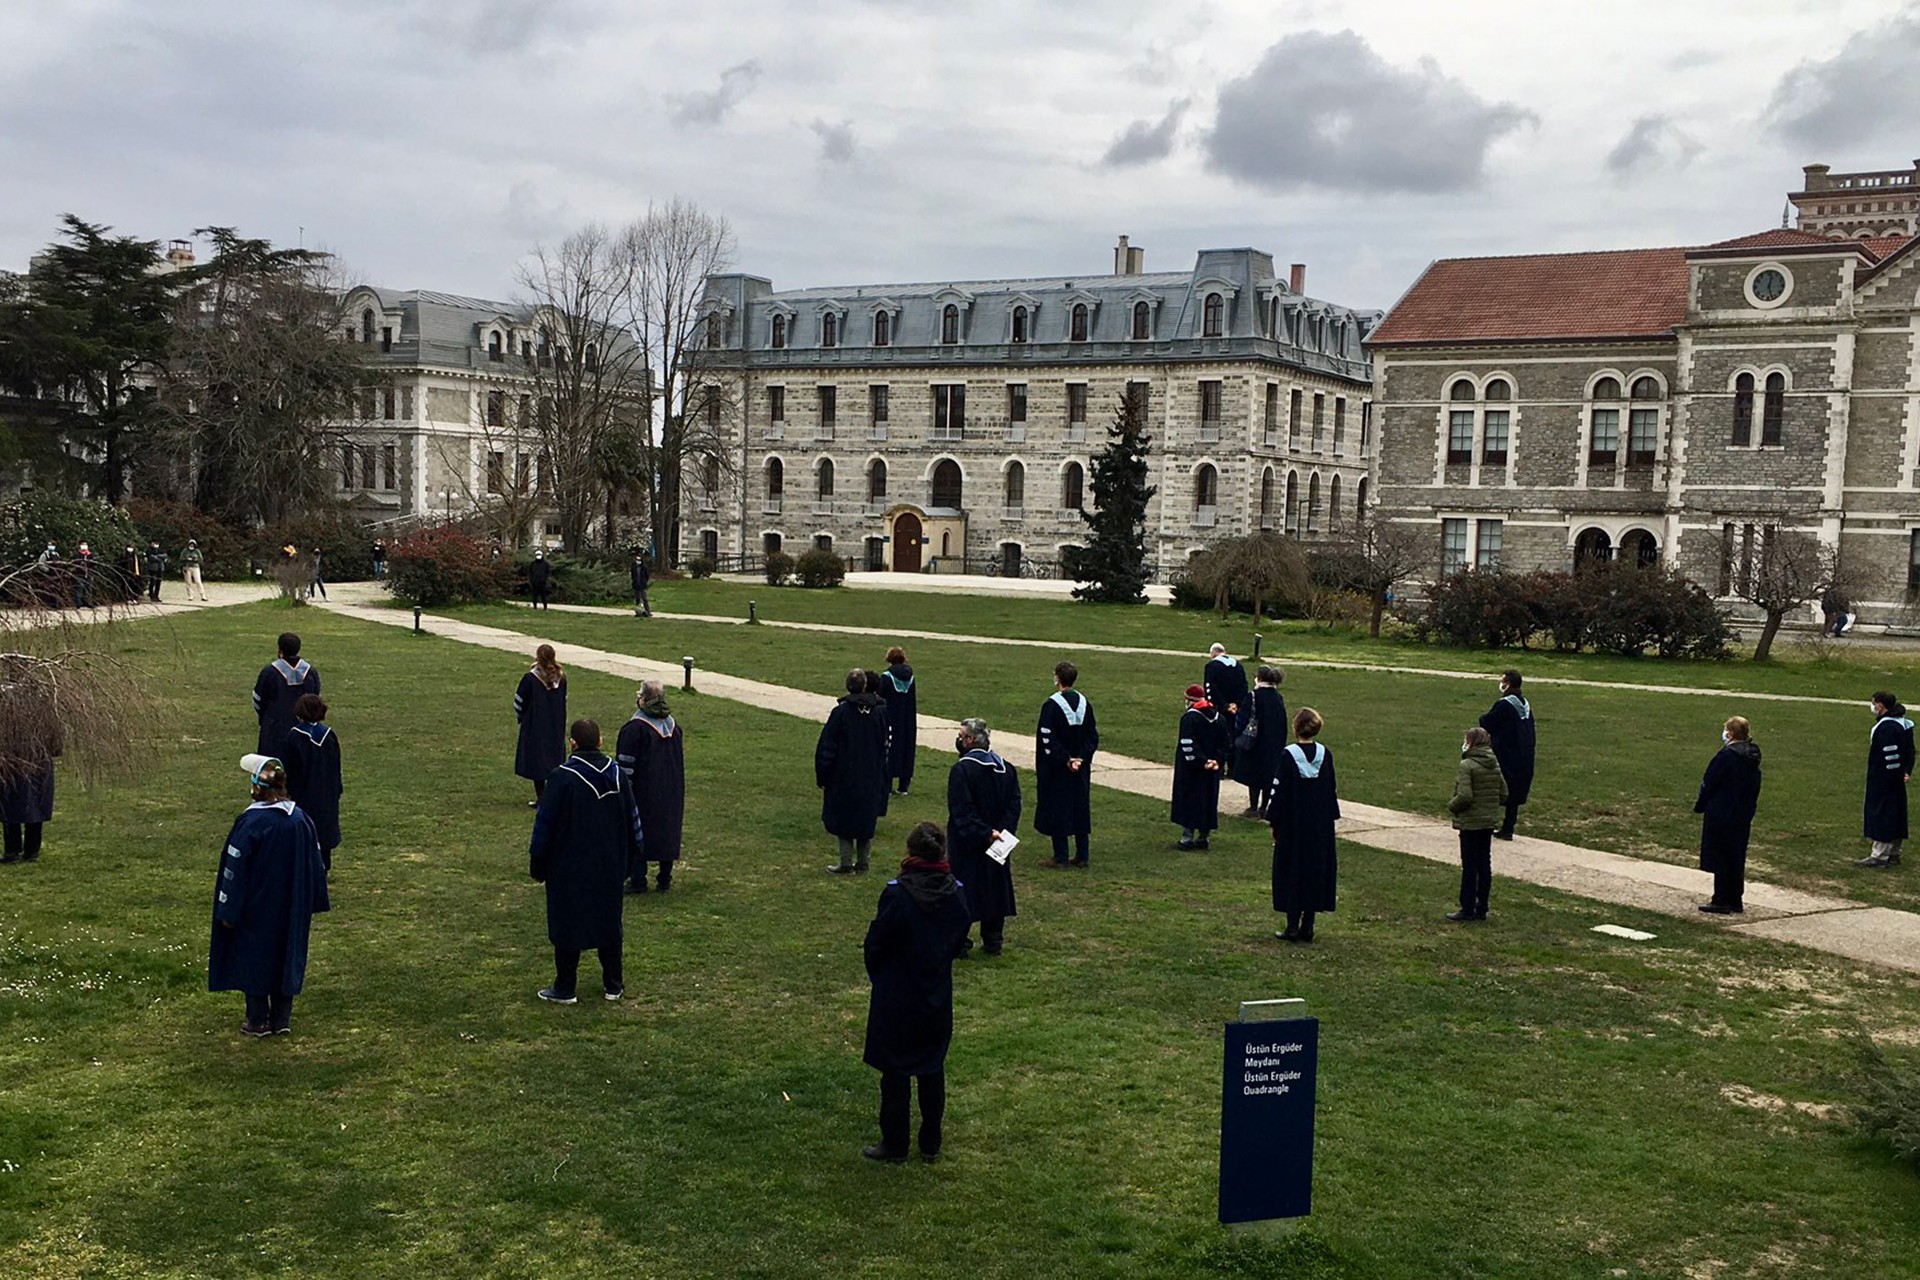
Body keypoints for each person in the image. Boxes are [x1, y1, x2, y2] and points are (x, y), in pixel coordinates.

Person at [860, 821, 972, 1163]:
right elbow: (960, 936)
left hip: (897, 990)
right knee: (931, 1067)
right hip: (935, 990)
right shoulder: (956, 892)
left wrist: (880, 974)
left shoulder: (897, 893)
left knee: (895, 1072)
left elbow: (877, 942)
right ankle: (930, 1141)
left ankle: (895, 1143)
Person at [208, 754, 330, 1036]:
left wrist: (228, 910)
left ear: (256, 788)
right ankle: (282, 1017)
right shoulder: (301, 820)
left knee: (255, 957)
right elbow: (316, 862)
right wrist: (313, 900)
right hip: (291, 905)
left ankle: (258, 1018)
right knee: (287, 954)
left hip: (257, 907)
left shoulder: (251, 824)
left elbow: (235, 869)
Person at [528, 719, 642, 1004]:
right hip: (610, 864)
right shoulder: (617, 774)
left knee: (567, 924)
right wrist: (633, 858)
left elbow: (545, 825)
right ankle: (613, 984)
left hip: (570, 866)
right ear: (601, 742)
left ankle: (565, 986)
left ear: (572, 744)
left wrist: (537, 861)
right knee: (609, 922)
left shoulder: (562, 778)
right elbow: (633, 818)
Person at [946, 718, 1021, 956]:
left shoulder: (962, 770)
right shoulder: (1007, 768)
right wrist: (1002, 832)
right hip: (998, 841)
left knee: (963, 889)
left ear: (969, 739)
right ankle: (993, 940)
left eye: (960, 736)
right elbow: (1014, 805)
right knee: (995, 887)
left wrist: (984, 833)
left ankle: (959, 941)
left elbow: (961, 809)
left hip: (968, 842)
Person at [1268, 707, 1340, 943]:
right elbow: (1331, 789)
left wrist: (1274, 820)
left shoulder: (1288, 756)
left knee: (1291, 872)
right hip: (1319, 827)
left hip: (1293, 827)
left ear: (1296, 727)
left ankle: (1291, 926)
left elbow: (1278, 791)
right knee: (1313, 872)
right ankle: (1308, 925)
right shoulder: (1325, 754)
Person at [816, 669, 890, 874]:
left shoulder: (841, 713)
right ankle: (863, 862)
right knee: (866, 817)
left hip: (845, 774)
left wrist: (823, 773)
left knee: (844, 817)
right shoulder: (881, 712)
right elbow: (886, 744)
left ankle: (846, 862)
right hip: (872, 773)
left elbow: (827, 747)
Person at [615, 680, 684, 894]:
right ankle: (665, 877)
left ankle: (638, 879)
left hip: (644, 792)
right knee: (667, 830)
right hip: (671, 789)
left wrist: (623, 791)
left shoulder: (634, 730)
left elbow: (625, 766)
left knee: (638, 830)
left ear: (643, 699)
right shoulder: (674, 728)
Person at [1034, 660, 1098, 868]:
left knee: (1059, 807)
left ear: (1057, 678)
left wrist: (1066, 759)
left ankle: (1060, 856)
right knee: (1080, 807)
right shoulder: (1084, 703)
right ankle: (1083, 855)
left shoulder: (1051, 705)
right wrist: (1082, 758)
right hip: (1080, 768)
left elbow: (1047, 738)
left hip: (1058, 769)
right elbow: (1092, 736)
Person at [1697, 716, 1762, 912]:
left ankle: (1721, 898)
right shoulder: (1752, 758)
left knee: (1720, 855)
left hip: (1721, 811)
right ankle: (1735, 898)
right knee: (1736, 855)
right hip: (1742, 813)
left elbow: (1710, 781)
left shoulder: (1726, 757)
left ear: (1731, 733)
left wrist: (1701, 804)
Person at [0, 658, 59, 865]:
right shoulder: (42, 695)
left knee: (10, 803)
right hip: (39, 755)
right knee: (34, 802)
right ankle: (31, 850)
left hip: (15, 755)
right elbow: (54, 726)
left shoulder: (5, 697)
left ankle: (13, 851)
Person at [1446, 726, 1508, 922]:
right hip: (1488, 821)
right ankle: (1482, 907)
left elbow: (1465, 795)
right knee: (1484, 864)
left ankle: (1467, 907)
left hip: (1470, 822)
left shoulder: (1467, 765)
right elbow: (1504, 793)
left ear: (1471, 743)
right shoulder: (1494, 763)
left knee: (1469, 866)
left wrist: (1452, 806)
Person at [281, 693, 343, 872]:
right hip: (327, 793)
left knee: (305, 836)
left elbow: (288, 769)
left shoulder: (294, 738)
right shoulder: (329, 736)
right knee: (323, 836)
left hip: (303, 795)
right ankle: (323, 868)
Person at [1859, 691, 1915, 868]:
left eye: (1874, 703)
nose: (1873, 706)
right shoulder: (1904, 723)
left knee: (1881, 813)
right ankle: (1894, 853)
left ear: (1881, 705)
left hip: (1884, 778)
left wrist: (1890, 775)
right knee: (1896, 813)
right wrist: (1906, 771)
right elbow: (1910, 751)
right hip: (1897, 778)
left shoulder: (1886, 727)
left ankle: (1879, 855)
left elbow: (1889, 755)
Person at [1480, 670, 1535, 840]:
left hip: (1506, 753)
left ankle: (1486, 824)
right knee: (1515, 790)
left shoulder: (1504, 704)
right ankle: (1508, 827)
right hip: (1524, 753)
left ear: (1508, 683)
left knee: (1495, 787)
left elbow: (1488, 722)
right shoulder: (1525, 704)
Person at [1172, 683, 1229, 849]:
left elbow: (1188, 743)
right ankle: (1204, 836)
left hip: (1192, 770)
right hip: (1212, 769)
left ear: (1190, 700)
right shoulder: (1219, 718)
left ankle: (1187, 837)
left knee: (1189, 799)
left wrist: (1201, 761)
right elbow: (1225, 743)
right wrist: (1216, 760)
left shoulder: (1190, 718)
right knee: (1208, 800)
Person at [515, 644, 569, 807]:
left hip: (535, 724)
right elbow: (564, 699)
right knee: (554, 758)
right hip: (556, 724)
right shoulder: (561, 678)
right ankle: (553, 795)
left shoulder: (530, 679)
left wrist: (521, 717)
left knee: (537, 759)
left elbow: (519, 702)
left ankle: (542, 796)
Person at [253, 632, 322, 756]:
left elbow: (258, 699)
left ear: (280, 649)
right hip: (305, 726)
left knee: (273, 766)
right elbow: (315, 697)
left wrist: (265, 717)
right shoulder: (310, 672)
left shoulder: (270, 672)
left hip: (274, 727)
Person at [1242, 665, 1289, 817]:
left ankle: (1253, 807)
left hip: (1256, 740)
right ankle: (1264, 807)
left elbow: (1243, 717)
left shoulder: (1253, 695)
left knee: (1254, 774)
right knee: (1269, 774)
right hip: (1274, 740)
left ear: (1259, 678)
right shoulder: (1277, 697)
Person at [879, 646, 917, 797]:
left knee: (889, 749)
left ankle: (887, 785)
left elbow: (881, 697)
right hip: (907, 718)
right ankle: (903, 786)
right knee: (907, 749)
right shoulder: (911, 677)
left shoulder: (887, 677)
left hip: (891, 718)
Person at [1204, 642, 1251, 735]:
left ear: (1212, 653)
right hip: (1236, 708)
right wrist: (1237, 704)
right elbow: (1244, 686)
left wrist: (1224, 706)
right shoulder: (1238, 665)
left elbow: (1211, 688)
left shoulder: (1212, 666)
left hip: (1220, 708)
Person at [630, 549, 652, 617]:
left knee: (645, 599)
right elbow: (632, 575)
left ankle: (648, 611)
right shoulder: (633, 567)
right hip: (636, 585)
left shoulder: (644, 568)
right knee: (637, 599)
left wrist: (644, 582)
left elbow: (647, 576)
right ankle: (638, 612)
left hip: (642, 585)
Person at [72, 543, 94, 609]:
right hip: (79, 574)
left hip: (88, 574)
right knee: (79, 588)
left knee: (88, 589)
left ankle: (89, 603)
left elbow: (93, 564)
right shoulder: (77, 555)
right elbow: (73, 562)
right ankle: (79, 603)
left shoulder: (90, 555)